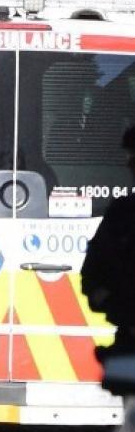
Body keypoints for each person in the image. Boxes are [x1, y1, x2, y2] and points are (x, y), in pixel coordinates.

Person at [83, 125, 135, 359]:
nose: (128, 164)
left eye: (132, 156)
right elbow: (93, 273)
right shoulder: (122, 213)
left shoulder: (123, 213)